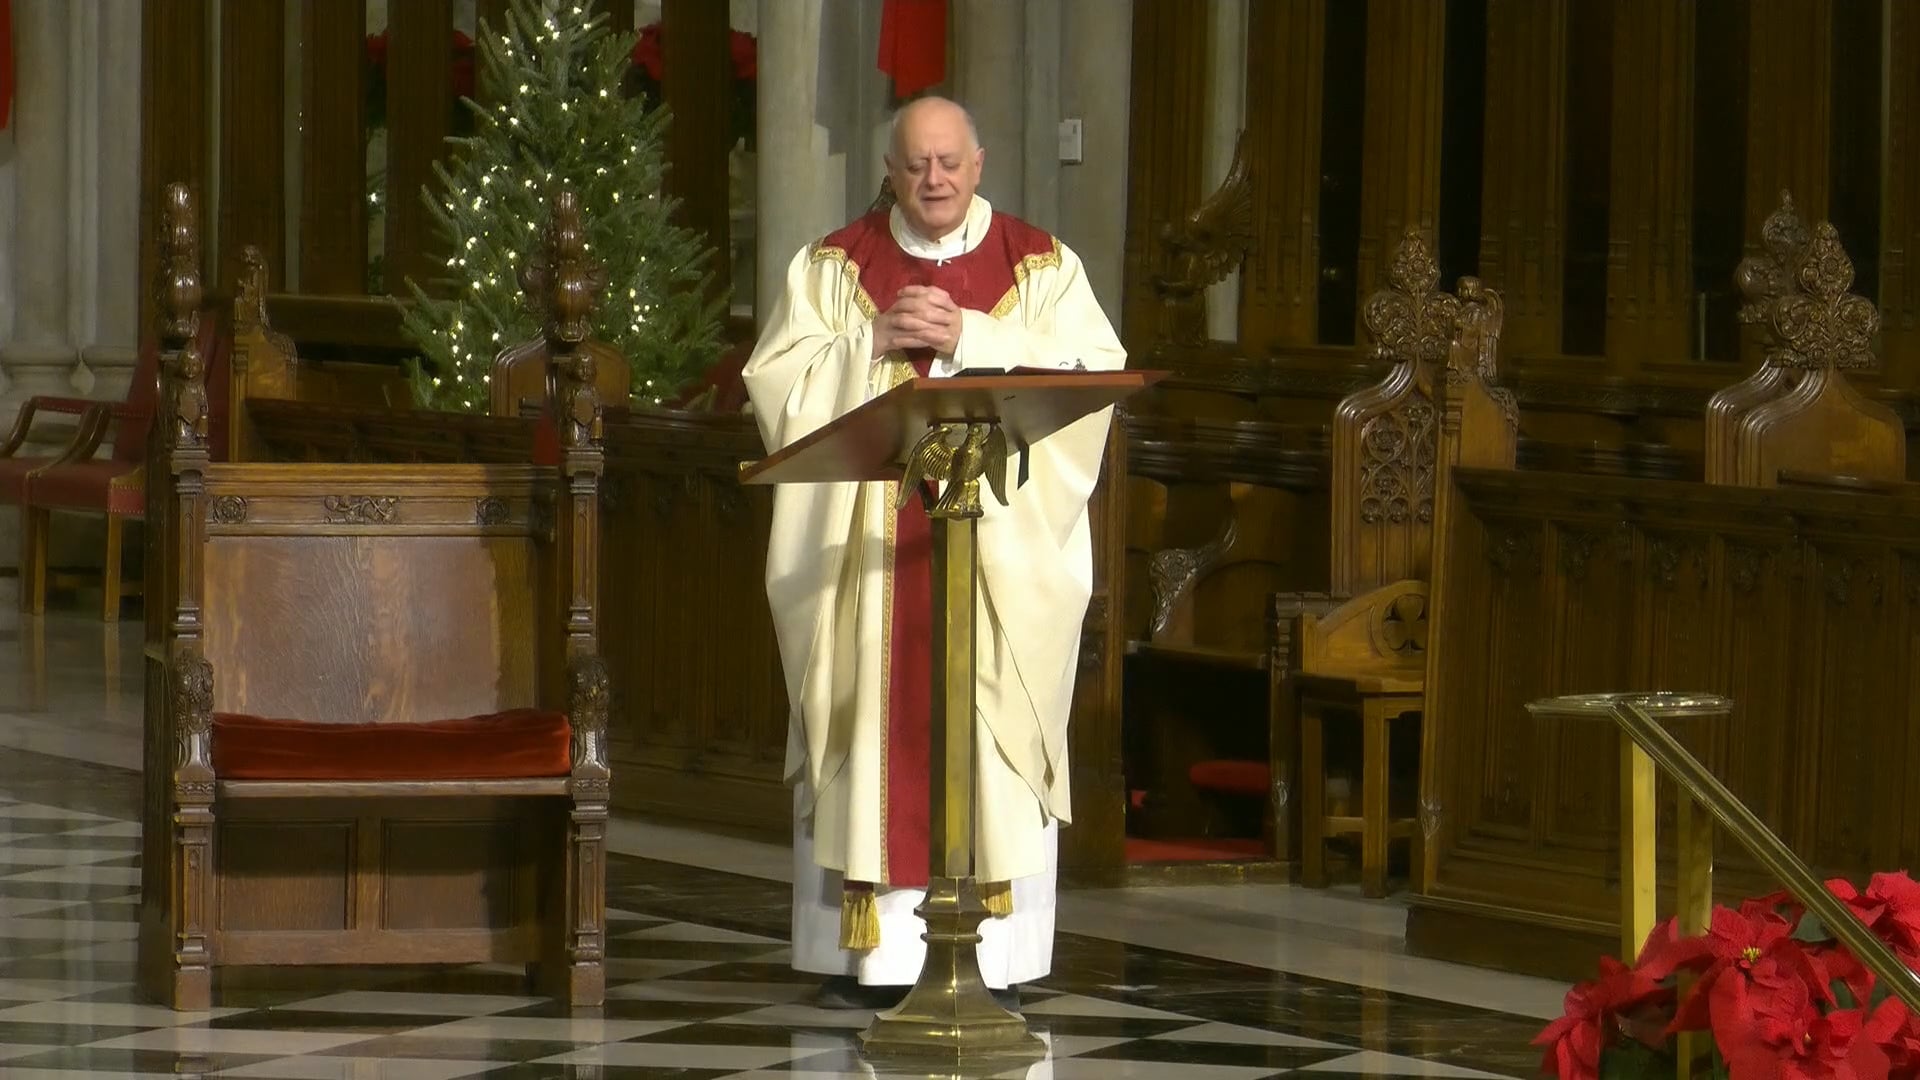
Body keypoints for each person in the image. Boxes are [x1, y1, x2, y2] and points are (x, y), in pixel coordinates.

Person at [741, 96, 1127, 1009]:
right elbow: (777, 386)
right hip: (870, 570)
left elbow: (1093, 383)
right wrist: (871, 342)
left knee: (988, 727)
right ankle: (871, 960)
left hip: (996, 567)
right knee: (871, 724)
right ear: (891, 169)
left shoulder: (1040, 267)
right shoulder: (836, 268)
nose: (935, 180)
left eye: (950, 162)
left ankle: (995, 959)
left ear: (980, 164)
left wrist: (974, 337)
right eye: (916, 165)